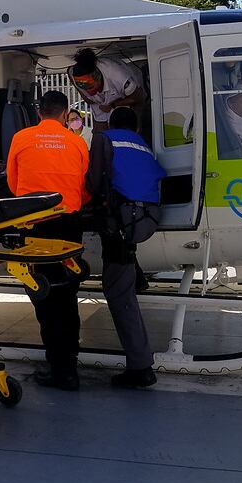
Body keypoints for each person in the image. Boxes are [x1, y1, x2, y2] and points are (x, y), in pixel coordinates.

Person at [6, 87, 93, 390]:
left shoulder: (21, 138)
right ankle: (67, 366)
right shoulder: (77, 142)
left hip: (34, 225)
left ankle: (58, 367)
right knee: (67, 296)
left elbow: (14, 186)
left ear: (39, 112)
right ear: (65, 114)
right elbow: (85, 187)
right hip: (68, 228)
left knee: (43, 294)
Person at [87, 105, 164, 388]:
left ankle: (141, 367)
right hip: (146, 219)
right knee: (125, 274)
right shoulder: (143, 144)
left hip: (122, 223)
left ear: (110, 123)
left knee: (119, 294)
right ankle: (137, 275)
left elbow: (94, 182)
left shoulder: (104, 139)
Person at [70, 47, 146, 126]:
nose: (88, 91)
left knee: (133, 124)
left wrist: (114, 105)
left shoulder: (118, 75)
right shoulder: (75, 75)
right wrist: (86, 96)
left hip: (132, 93)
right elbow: (89, 100)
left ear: (98, 78)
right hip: (103, 106)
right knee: (100, 132)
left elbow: (138, 97)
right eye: (84, 89)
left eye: (90, 87)